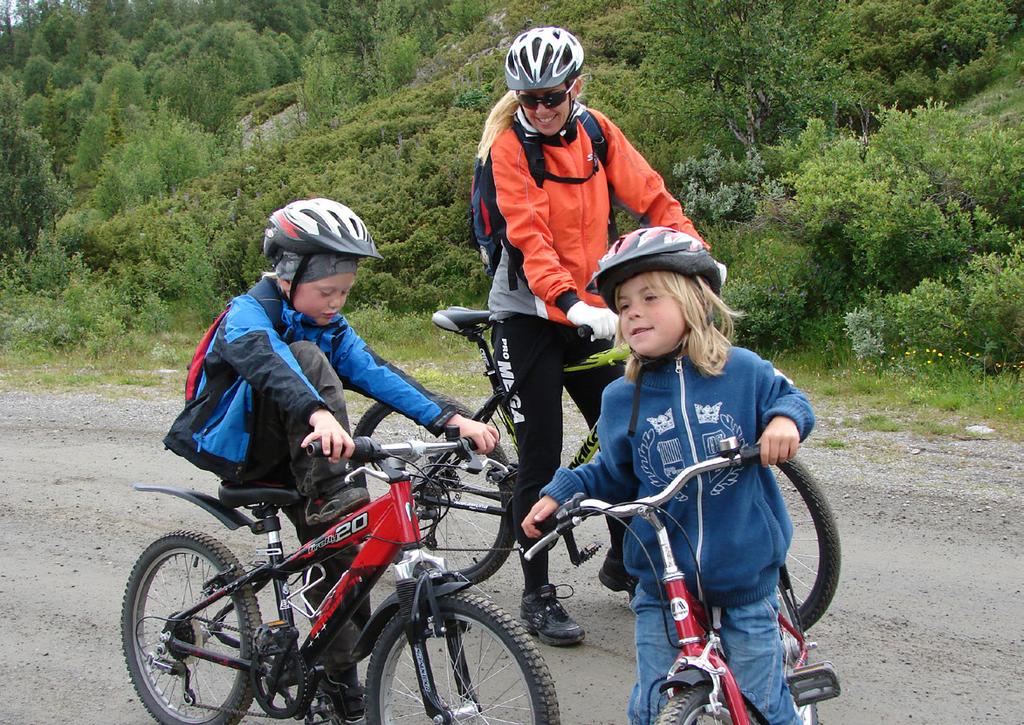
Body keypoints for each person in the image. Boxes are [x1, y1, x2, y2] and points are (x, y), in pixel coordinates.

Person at [164, 197, 498, 721]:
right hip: (253, 451)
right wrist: (319, 415)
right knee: (305, 359)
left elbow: (378, 373)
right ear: (287, 273)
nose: (336, 302)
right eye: (327, 291)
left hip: (312, 452)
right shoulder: (246, 316)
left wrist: (451, 420)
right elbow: (272, 367)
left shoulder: (329, 325)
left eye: (344, 290)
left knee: (349, 566)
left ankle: (337, 685)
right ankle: (328, 492)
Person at [522, 227, 814, 725]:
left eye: (650, 297)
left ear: (694, 302)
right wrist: (563, 491)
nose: (632, 311)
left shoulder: (740, 371)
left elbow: (791, 399)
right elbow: (611, 471)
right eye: (623, 303)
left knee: (764, 704)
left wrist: (784, 423)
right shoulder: (622, 398)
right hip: (659, 580)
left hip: (743, 573)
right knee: (653, 702)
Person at [477, 25, 707, 646]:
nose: (542, 110)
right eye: (529, 100)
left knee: (625, 430)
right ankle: (536, 591)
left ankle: (621, 563)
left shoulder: (598, 133)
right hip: (529, 315)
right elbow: (528, 240)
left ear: (575, 88)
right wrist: (570, 303)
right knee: (543, 451)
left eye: (552, 96)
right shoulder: (509, 149)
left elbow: (653, 199)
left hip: (590, 309)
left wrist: (694, 253)